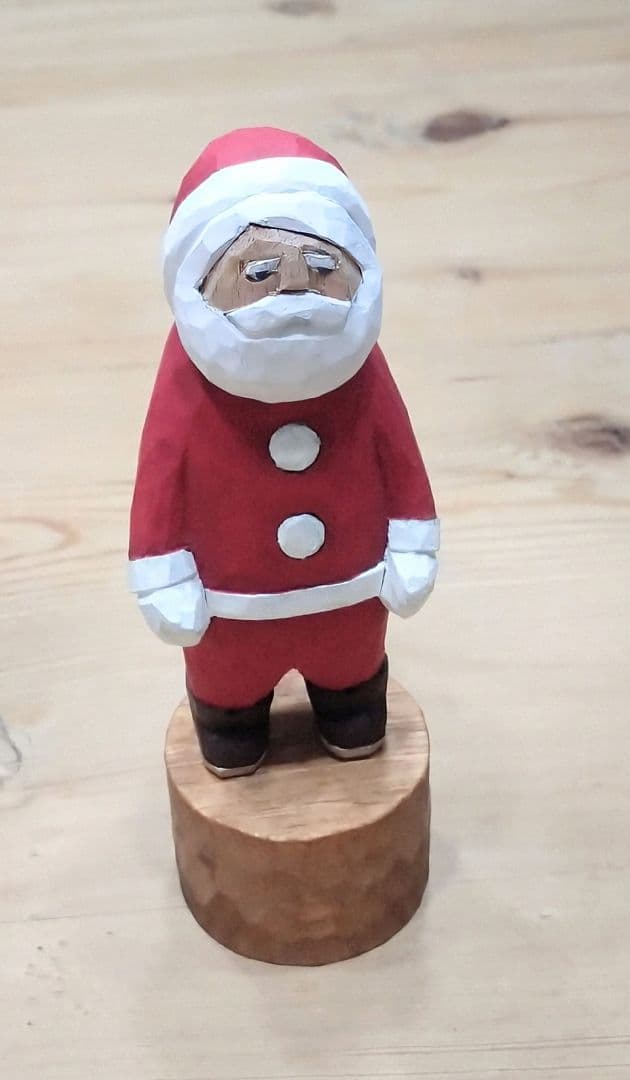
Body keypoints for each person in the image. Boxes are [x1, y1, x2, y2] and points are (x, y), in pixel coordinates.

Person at [129, 127, 439, 777]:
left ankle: (351, 709)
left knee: (353, 685)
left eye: (321, 268)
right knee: (228, 697)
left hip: (349, 593)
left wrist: (413, 543)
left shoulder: (357, 364)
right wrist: (162, 572)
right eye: (260, 272)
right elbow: (162, 475)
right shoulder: (188, 376)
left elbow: (398, 455)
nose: (295, 289)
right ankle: (230, 724)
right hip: (232, 604)